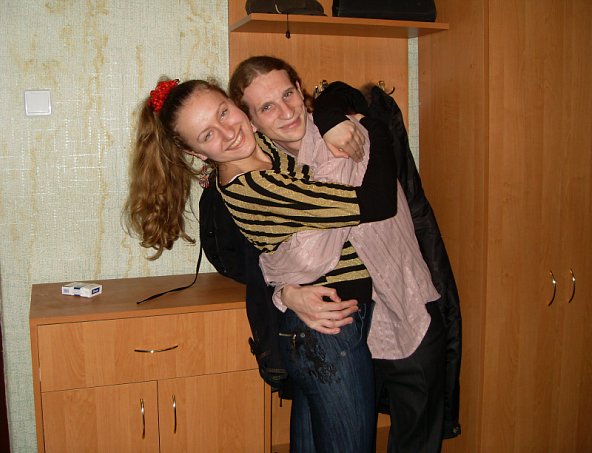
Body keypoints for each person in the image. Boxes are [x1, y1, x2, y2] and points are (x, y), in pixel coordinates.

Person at [125, 77, 400, 452]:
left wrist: (332, 115)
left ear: (236, 104)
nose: (229, 133)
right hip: (329, 330)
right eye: (208, 135)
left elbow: (326, 101)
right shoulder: (252, 187)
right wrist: (377, 127)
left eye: (224, 113)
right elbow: (378, 202)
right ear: (195, 152)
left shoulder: (265, 143)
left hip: (320, 323)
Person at [227, 56, 447, 453]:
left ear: (300, 89)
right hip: (342, 325)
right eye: (267, 107)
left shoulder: (349, 131)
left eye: (288, 94)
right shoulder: (265, 176)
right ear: (252, 121)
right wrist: (286, 293)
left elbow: (352, 98)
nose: (286, 112)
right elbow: (258, 256)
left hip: (407, 303)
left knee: (416, 440)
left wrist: (349, 117)